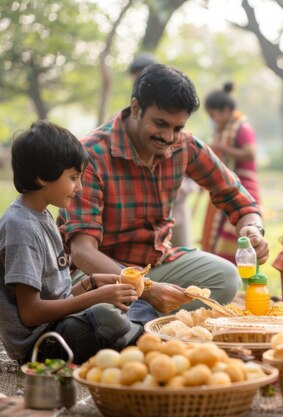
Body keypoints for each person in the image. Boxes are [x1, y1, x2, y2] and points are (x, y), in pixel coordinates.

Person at [57, 64, 269, 316]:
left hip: (157, 263)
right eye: (160, 124)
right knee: (105, 312)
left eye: (177, 127)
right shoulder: (91, 154)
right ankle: (139, 318)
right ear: (136, 108)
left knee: (226, 278)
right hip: (100, 272)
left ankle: (137, 321)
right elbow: (83, 252)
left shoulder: (185, 146)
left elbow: (239, 200)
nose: (169, 137)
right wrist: (147, 289)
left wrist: (253, 229)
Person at [0, 121, 142, 364]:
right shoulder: (20, 227)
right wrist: (96, 298)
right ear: (42, 177)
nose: (80, 187)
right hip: (40, 345)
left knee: (125, 310)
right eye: (74, 178)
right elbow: (31, 313)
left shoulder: (42, 215)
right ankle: (145, 343)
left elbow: (58, 298)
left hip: (59, 326)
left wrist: (91, 283)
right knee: (104, 315)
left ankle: (139, 338)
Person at [128, 53, 197, 248]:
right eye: (136, 77)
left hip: (175, 208)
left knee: (181, 251)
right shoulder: (136, 116)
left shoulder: (180, 135)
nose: (168, 136)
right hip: (138, 221)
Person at [201, 82, 261, 263]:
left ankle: (240, 271)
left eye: (213, 115)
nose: (213, 119)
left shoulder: (242, 128)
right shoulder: (222, 130)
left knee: (237, 233)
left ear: (226, 110)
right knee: (218, 233)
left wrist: (221, 147)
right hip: (224, 184)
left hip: (244, 184)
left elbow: (250, 153)